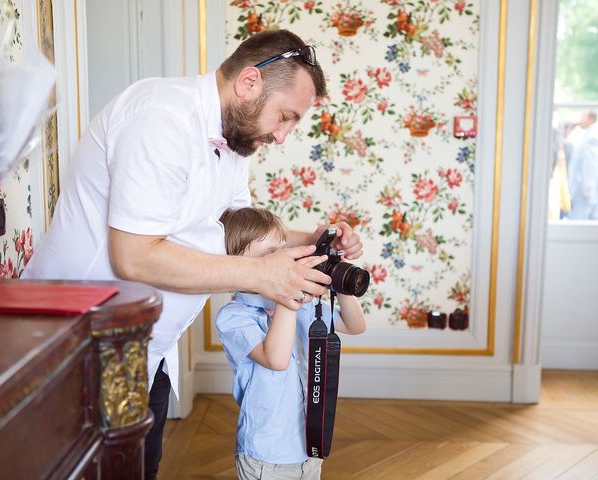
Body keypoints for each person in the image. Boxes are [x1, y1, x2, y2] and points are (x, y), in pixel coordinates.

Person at [23, 29, 363, 479]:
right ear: (248, 83)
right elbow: (135, 256)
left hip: (147, 351)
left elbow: (242, 230)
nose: (282, 136)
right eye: (284, 117)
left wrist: (313, 236)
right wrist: (265, 278)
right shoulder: (160, 119)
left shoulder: (234, 143)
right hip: (79, 350)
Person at [216, 207, 366, 480]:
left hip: (309, 447)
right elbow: (276, 359)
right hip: (265, 456)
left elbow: (355, 325)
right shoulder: (235, 317)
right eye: (269, 258)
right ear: (236, 267)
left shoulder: (304, 306)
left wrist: (338, 279)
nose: (285, 265)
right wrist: (289, 294)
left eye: (284, 252)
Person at [567, 111, 598, 219]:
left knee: (579, 225)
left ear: (590, 119)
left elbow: (591, 164)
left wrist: (587, 189)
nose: (580, 120)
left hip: (584, 193)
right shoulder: (589, 134)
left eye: (582, 117)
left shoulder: (592, 137)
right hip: (584, 191)